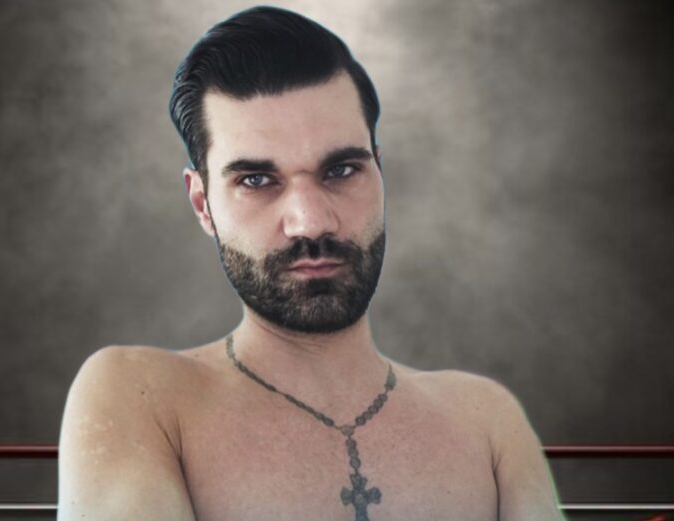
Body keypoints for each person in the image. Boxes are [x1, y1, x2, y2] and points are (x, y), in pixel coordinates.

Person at [57, 6, 565, 521]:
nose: (311, 223)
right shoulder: (139, 396)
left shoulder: (487, 420)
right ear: (202, 204)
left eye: (341, 170)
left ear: (379, 172)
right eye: (256, 180)